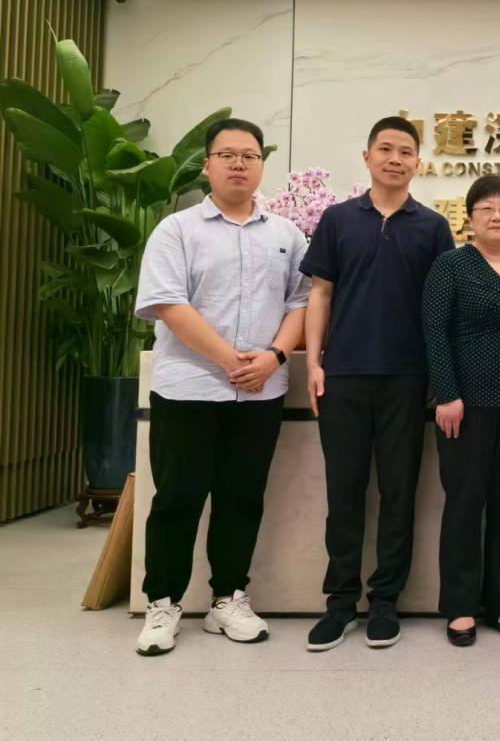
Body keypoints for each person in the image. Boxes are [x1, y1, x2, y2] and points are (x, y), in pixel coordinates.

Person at [134, 118, 309, 656]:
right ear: (207, 165)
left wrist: (274, 356)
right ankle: (163, 602)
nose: (239, 164)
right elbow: (167, 303)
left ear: (261, 166)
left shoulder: (286, 235)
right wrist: (230, 359)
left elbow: (301, 303)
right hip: (188, 389)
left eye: (250, 155)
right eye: (227, 154)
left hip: (260, 391)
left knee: (242, 498)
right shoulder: (177, 230)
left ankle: (228, 599)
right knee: (178, 498)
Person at [301, 116, 454, 651]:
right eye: (385, 149)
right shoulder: (338, 219)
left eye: (405, 151)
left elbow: (441, 307)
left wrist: (439, 376)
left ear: (418, 163)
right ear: (366, 157)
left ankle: (386, 601)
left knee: (398, 495)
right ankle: (340, 603)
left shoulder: (432, 227)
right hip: (343, 375)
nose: (395, 158)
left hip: (407, 379)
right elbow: (320, 293)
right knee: (343, 494)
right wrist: (314, 363)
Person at [422, 175, 500, 647]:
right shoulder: (450, 265)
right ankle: (460, 606)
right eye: (487, 208)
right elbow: (434, 330)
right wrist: (447, 394)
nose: (497, 216)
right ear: (470, 217)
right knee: (464, 503)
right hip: (464, 406)